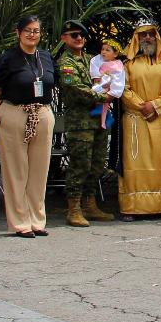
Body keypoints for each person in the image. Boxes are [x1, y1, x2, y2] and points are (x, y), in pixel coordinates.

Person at [0, 14, 56, 238]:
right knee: (16, 170)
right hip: (15, 112)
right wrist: (2, 111)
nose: (32, 35)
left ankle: (37, 220)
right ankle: (20, 222)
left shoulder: (45, 56)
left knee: (39, 170)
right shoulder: (8, 59)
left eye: (36, 31)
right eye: (27, 30)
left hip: (42, 113)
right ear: (18, 33)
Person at [119, 20, 161, 221]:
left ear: (157, 37)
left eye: (151, 34)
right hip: (135, 120)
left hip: (160, 118)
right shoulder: (127, 63)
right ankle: (132, 207)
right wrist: (141, 106)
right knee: (134, 162)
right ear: (136, 38)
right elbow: (122, 88)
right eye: (143, 34)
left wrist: (155, 105)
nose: (147, 38)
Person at [56, 19, 112, 228]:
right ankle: (74, 208)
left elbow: (108, 77)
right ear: (64, 38)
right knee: (80, 165)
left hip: (99, 120)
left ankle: (90, 203)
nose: (79, 38)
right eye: (74, 35)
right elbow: (75, 89)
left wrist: (112, 88)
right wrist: (103, 97)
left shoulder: (92, 60)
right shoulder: (66, 63)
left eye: (81, 35)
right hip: (80, 123)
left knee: (97, 164)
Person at [93, 46, 125, 131]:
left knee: (104, 103)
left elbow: (118, 78)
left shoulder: (117, 64)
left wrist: (111, 89)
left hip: (108, 87)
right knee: (103, 103)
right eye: (102, 49)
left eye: (107, 50)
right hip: (101, 84)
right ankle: (104, 119)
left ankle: (105, 119)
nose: (103, 52)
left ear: (115, 54)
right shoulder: (98, 60)